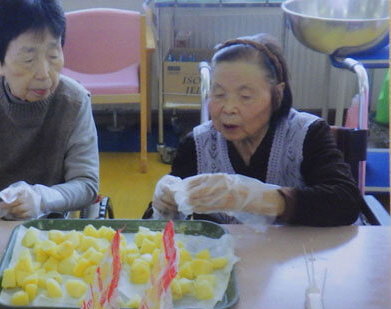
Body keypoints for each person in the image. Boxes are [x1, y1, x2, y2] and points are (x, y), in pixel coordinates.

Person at [151, 33, 361, 226]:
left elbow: (346, 201)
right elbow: (152, 229)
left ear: (276, 95)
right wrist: (163, 204)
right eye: (219, 94)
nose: (228, 108)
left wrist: (254, 197)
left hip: (297, 260)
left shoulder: (307, 134)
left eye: (245, 97)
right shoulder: (197, 145)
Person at [0, 0, 99, 220]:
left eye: (53, 56)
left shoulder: (74, 101)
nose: (44, 74)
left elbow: (86, 184)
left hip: (49, 223)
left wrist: (41, 199)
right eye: (28, 59)